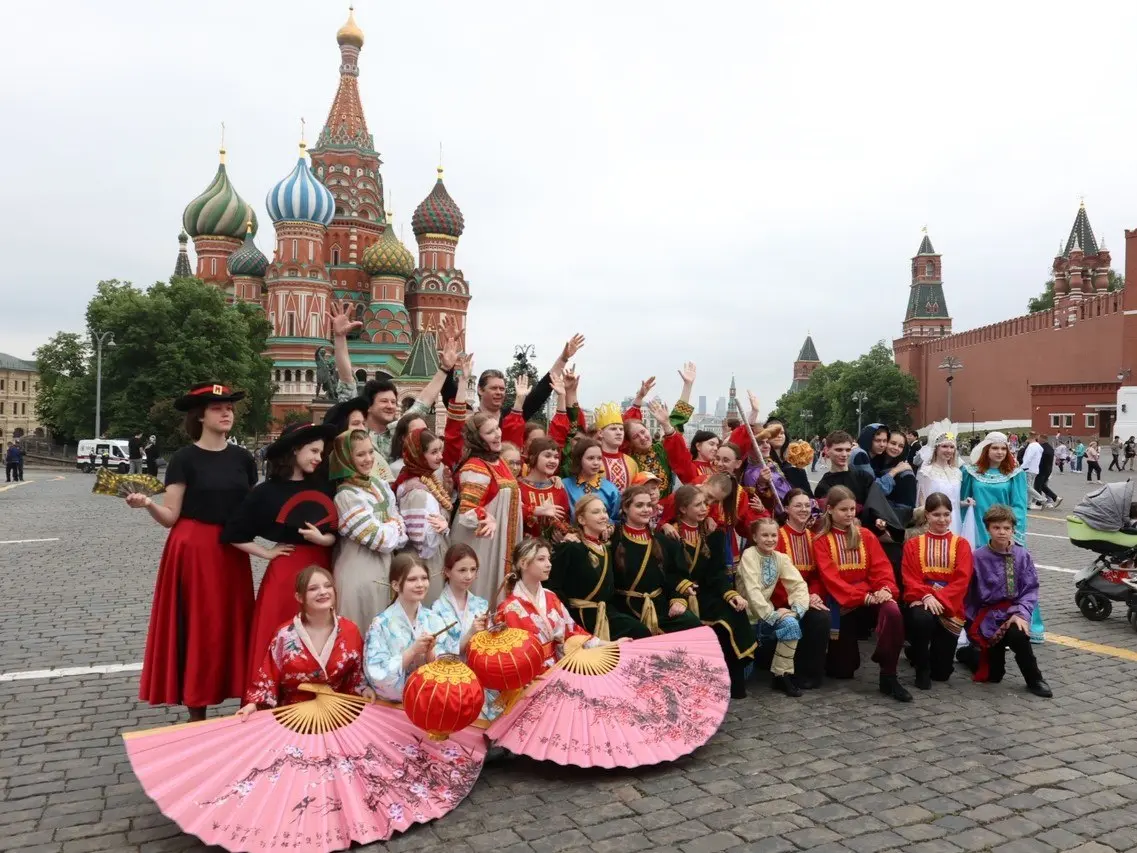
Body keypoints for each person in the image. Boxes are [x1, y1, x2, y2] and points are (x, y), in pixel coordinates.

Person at [128, 382, 257, 722]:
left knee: (234, 624)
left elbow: (251, 510)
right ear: (200, 416)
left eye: (229, 406)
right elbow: (171, 517)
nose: (226, 412)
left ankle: (243, 702)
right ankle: (196, 708)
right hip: (193, 550)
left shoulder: (244, 459)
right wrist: (148, 505)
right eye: (218, 407)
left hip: (232, 552)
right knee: (198, 626)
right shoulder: (184, 459)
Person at [222, 421, 338, 678]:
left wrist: (322, 540)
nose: (319, 458)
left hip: (324, 568)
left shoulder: (324, 487)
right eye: (314, 451)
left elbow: (335, 534)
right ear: (296, 450)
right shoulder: (266, 492)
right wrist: (266, 553)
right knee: (279, 633)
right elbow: (233, 534)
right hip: (286, 573)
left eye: (322, 452)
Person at [812, 486, 911, 702]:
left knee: (892, 611)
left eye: (852, 509)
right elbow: (832, 580)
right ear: (829, 510)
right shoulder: (821, 541)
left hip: (871, 595)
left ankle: (889, 674)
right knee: (843, 670)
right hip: (843, 603)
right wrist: (864, 596)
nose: (849, 514)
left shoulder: (865, 535)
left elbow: (880, 568)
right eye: (843, 510)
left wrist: (884, 589)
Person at [659, 485, 756, 698]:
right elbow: (666, 573)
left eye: (705, 503)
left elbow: (717, 573)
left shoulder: (714, 535)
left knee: (734, 613)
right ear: (683, 509)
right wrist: (683, 587)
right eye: (698, 505)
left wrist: (730, 594)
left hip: (707, 593)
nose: (704, 508)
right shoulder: (669, 536)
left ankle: (734, 683)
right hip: (680, 594)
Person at [238, 565, 373, 714]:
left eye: (328, 586)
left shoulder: (350, 630)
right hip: (293, 715)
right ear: (299, 597)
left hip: (337, 712)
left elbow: (357, 675)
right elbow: (268, 676)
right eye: (313, 588)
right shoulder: (285, 635)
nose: (323, 592)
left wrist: (364, 689)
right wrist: (254, 704)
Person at [955, 506, 1052, 698]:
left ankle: (1035, 679)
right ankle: (968, 654)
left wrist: (1021, 613)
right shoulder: (977, 557)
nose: (1002, 532)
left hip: (1014, 613)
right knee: (994, 675)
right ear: (988, 529)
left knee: (1019, 635)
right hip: (987, 619)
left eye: (1006, 528)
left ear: (1013, 530)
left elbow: (1030, 588)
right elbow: (968, 593)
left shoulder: (1023, 555)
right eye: (996, 527)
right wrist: (971, 623)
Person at [329, 428, 408, 632]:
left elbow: (401, 537)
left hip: (385, 569)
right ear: (346, 458)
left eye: (371, 452)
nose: (368, 459)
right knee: (362, 630)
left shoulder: (379, 485)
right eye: (360, 454)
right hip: (359, 574)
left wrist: (394, 527)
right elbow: (381, 541)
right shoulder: (346, 496)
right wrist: (395, 525)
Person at [495, 538, 608, 671]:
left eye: (549, 559)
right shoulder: (508, 608)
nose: (549, 564)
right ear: (524, 563)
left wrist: (608, 644)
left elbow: (572, 631)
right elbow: (506, 655)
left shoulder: (551, 596)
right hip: (529, 676)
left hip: (557, 667)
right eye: (541, 559)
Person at [549, 495, 652, 641]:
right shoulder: (570, 547)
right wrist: (566, 617)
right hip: (581, 617)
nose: (603, 516)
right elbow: (552, 585)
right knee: (638, 632)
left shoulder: (605, 547)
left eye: (604, 511)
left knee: (639, 631)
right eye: (596, 512)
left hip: (605, 612)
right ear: (581, 520)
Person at [901, 493, 973, 689]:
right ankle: (921, 668)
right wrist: (925, 595)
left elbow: (962, 580)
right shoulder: (913, 544)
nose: (942, 519)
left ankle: (916, 651)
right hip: (921, 600)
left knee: (942, 674)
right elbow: (910, 577)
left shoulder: (962, 545)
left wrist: (936, 597)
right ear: (927, 516)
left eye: (946, 514)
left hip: (949, 604)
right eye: (936, 514)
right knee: (921, 618)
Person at [611, 484, 703, 635]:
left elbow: (675, 575)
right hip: (625, 608)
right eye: (639, 505)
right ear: (626, 508)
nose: (646, 509)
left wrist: (677, 599)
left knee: (692, 623)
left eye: (649, 505)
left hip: (659, 605)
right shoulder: (613, 539)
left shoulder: (663, 541)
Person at [451, 413, 523, 604]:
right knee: (485, 589)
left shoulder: (500, 462)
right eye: (490, 432)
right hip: (485, 543)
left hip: (504, 541)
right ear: (478, 438)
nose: (497, 434)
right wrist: (487, 518)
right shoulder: (475, 467)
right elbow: (467, 511)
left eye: (497, 428)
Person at [736, 517, 809, 697]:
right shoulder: (749, 555)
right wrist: (773, 615)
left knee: (791, 624)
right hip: (745, 619)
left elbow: (798, 585)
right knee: (741, 679)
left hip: (767, 619)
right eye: (765, 535)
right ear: (754, 536)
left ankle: (781, 675)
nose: (770, 539)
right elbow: (753, 591)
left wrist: (796, 610)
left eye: (773, 535)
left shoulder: (781, 558)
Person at [363, 554, 449, 701]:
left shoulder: (435, 620)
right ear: (396, 585)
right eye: (412, 579)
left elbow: (447, 669)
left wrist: (430, 653)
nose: (420, 584)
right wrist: (412, 651)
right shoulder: (380, 624)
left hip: (430, 702)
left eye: (424, 578)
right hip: (395, 706)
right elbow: (377, 675)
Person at [774, 489, 829, 687]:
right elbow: (775, 578)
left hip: (807, 597)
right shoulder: (777, 537)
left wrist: (814, 595)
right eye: (798, 505)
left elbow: (819, 574)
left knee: (822, 617)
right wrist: (799, 599)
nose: (804, 509)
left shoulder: (814, 538)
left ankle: (811, 674)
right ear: (786, 508)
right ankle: (789, 671)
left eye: (807, 505)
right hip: (783, 598)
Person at [394, 428, 454, 601]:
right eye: (433, 452)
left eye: (440, 451)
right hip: (425, 564)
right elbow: (423, 544)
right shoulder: (416, 492)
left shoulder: (425, 479)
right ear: (419, 454)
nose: (440, 457)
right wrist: (441, 529)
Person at [961, 432, 1030, 548]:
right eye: (995, 448)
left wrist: (1010, 532)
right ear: (986, 449)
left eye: (1004, 449)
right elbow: (963, 499)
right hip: (976, 526)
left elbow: (1019, 507)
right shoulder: (970, 472)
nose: (1000, 452)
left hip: (1001, 528)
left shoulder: (1015, 474)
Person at [915, 421, 970, 534]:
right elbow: (922, 502)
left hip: (954, 519)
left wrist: (964, 503)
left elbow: (952, 500)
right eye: (944, 446)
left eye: (952, 447)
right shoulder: (926, 472)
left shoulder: (957, 472)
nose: (949, 450)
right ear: (936, 448)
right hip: (934, 521)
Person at [519, 437, 572, 541]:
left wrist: (563, 534)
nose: (553, 461)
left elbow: (565, 520)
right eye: (547, 456)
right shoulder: (519, 488)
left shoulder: (558, 489)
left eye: (556, 457)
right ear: (533, 457)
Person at [562, 437, 621, 523]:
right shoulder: (565, 485)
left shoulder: (610, 489)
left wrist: (609, 527)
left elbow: (616, 519)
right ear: (579, 459)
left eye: (599, 458)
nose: (596, 463)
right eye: (590, 458)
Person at [592, 402, 639, 491]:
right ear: (601, 433)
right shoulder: (592, 460)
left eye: (621, 429)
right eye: (613, 429)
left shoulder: (631, 463)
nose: (619, 432)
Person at [1035, 435, 1061, 508]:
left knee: (1037, 486)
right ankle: (1055, 498)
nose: (1038, 440)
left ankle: (1039, 503)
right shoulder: (1050, 448)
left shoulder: (1042, 448)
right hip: (1048, 470)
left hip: (1041, 470)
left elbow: (1039, 460)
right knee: (1042, 486)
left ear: (1043, 439)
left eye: (1039, 439)